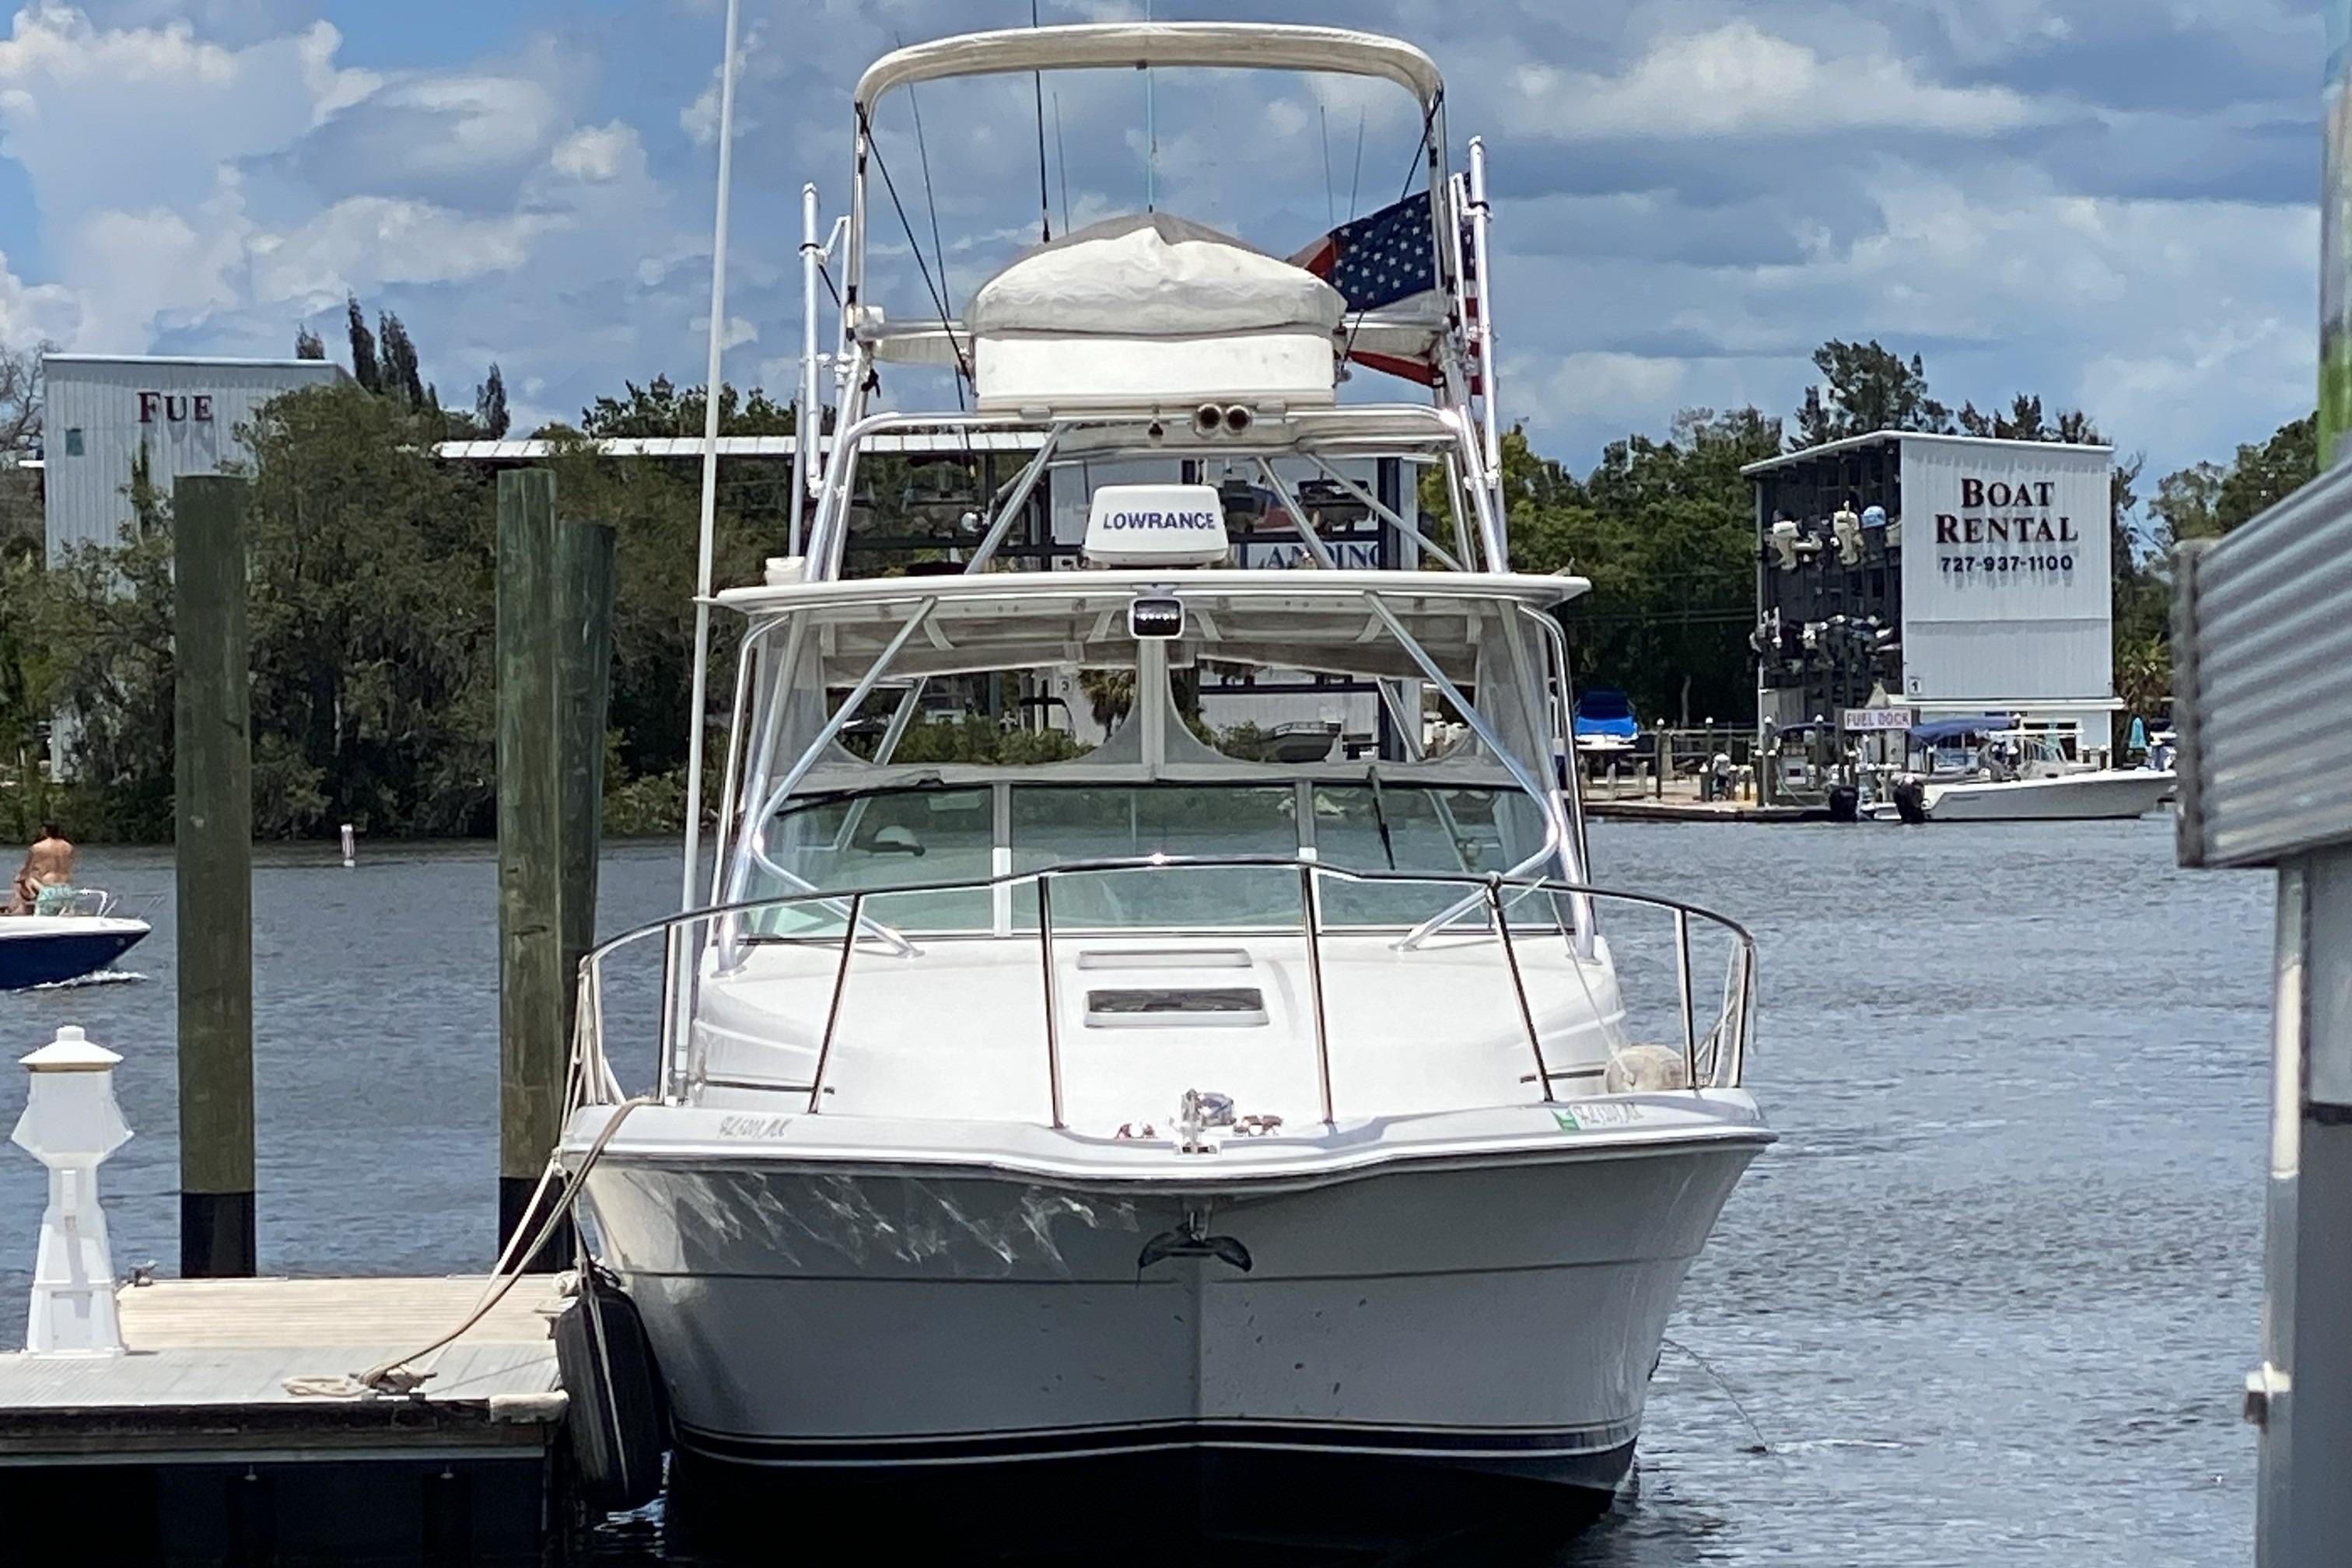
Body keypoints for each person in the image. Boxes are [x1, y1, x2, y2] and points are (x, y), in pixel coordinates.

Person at [11, 823, 75, 915]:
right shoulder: (69, 847)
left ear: (45, 831)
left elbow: (26, 870)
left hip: (48, 890)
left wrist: (19, 879)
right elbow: (69, 865)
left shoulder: (38, 847)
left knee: (22, 881)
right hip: (66, 890)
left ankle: (22, 910)